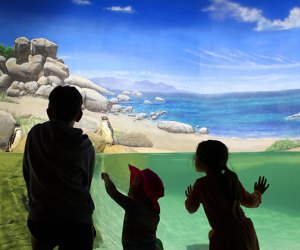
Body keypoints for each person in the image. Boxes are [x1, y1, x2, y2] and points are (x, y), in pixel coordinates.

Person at [23, 86, 96, 250]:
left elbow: (27, 172)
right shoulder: (86, 146)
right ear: (79, 116)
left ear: (49, 112)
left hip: (42, 218)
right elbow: (86, 184)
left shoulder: (36, 134)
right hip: (77, 221)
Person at [185, 140, 270, 250]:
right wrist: (258, 193)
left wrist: (190, 197)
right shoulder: (231, 179)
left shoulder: (201, 185)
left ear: (203, 161)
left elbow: (191, 208)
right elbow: (250, 202)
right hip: (245, 230)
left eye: (197, 156)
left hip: (225, 238)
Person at [101, 164, 164, 250]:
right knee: (158, 242)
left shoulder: (132, 205)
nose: (130, 187)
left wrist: (106, 177)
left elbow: (112, 191)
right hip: (151, 247)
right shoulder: (155, 214)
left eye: (133, 185)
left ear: (141, 191)